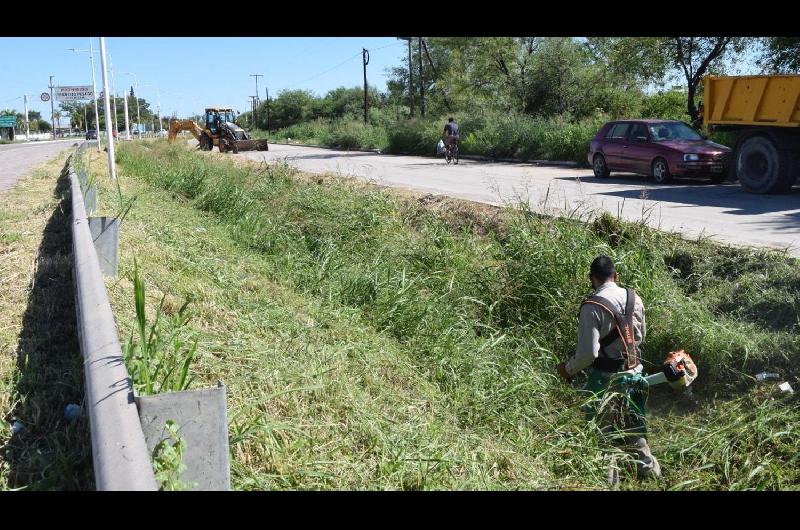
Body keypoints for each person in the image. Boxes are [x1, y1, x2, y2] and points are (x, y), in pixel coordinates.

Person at [557, 255, 661, 483]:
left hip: (606, 380)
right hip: (635, 375)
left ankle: (608, 482)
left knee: (602, 436)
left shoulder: (592, 306)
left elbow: (588, 354)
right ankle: (651, 476)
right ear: (615, 276)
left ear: (592, 278)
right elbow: (640, 336)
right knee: (635, 429)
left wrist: (568, 368)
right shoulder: (635, 298)